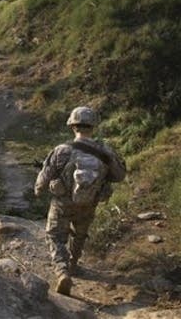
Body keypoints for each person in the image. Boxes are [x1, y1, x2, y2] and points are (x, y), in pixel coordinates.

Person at [34, 107, 126, 296]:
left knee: (54, 236)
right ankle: (73, 264)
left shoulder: (62, 150)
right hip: (89, 203)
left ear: (72, 126)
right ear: (93, 126)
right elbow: (119, 176)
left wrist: (38, 190)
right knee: (80, 234)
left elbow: (43, 179)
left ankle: (62, 272)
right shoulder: (105, 151)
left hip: (62, 203)